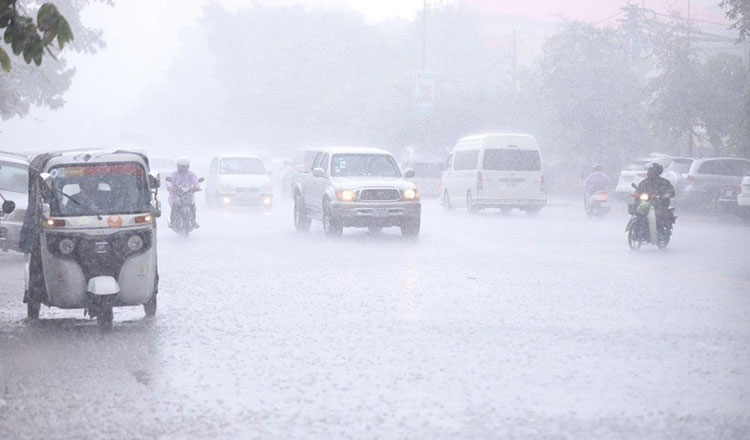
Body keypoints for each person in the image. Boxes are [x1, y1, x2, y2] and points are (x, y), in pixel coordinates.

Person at [635, 162, 675, 230]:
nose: (648, 173)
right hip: (647, 203)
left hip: (660, 204)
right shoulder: (644, 182)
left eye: (650, 171)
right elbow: (638, 190)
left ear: (655, 172)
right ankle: (639, 229)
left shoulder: (664, 182)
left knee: (658, 217)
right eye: (648, 171)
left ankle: (660, 231)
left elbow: (671, 191)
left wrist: (666, 195)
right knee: (639, 213)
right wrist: (636, 194)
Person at [167, 157, 201, 229]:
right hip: (176, 195)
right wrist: (171, 187)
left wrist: (197, 187)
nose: (183, 169)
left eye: (185, 167)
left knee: (193, 206)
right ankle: (172, 222)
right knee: (174, 206)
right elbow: (169, 181)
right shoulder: (174, 174)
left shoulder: (191, 174)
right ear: (178, 166)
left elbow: (195, 181)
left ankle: (193, 221)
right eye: (182, 167)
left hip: (188, 195)